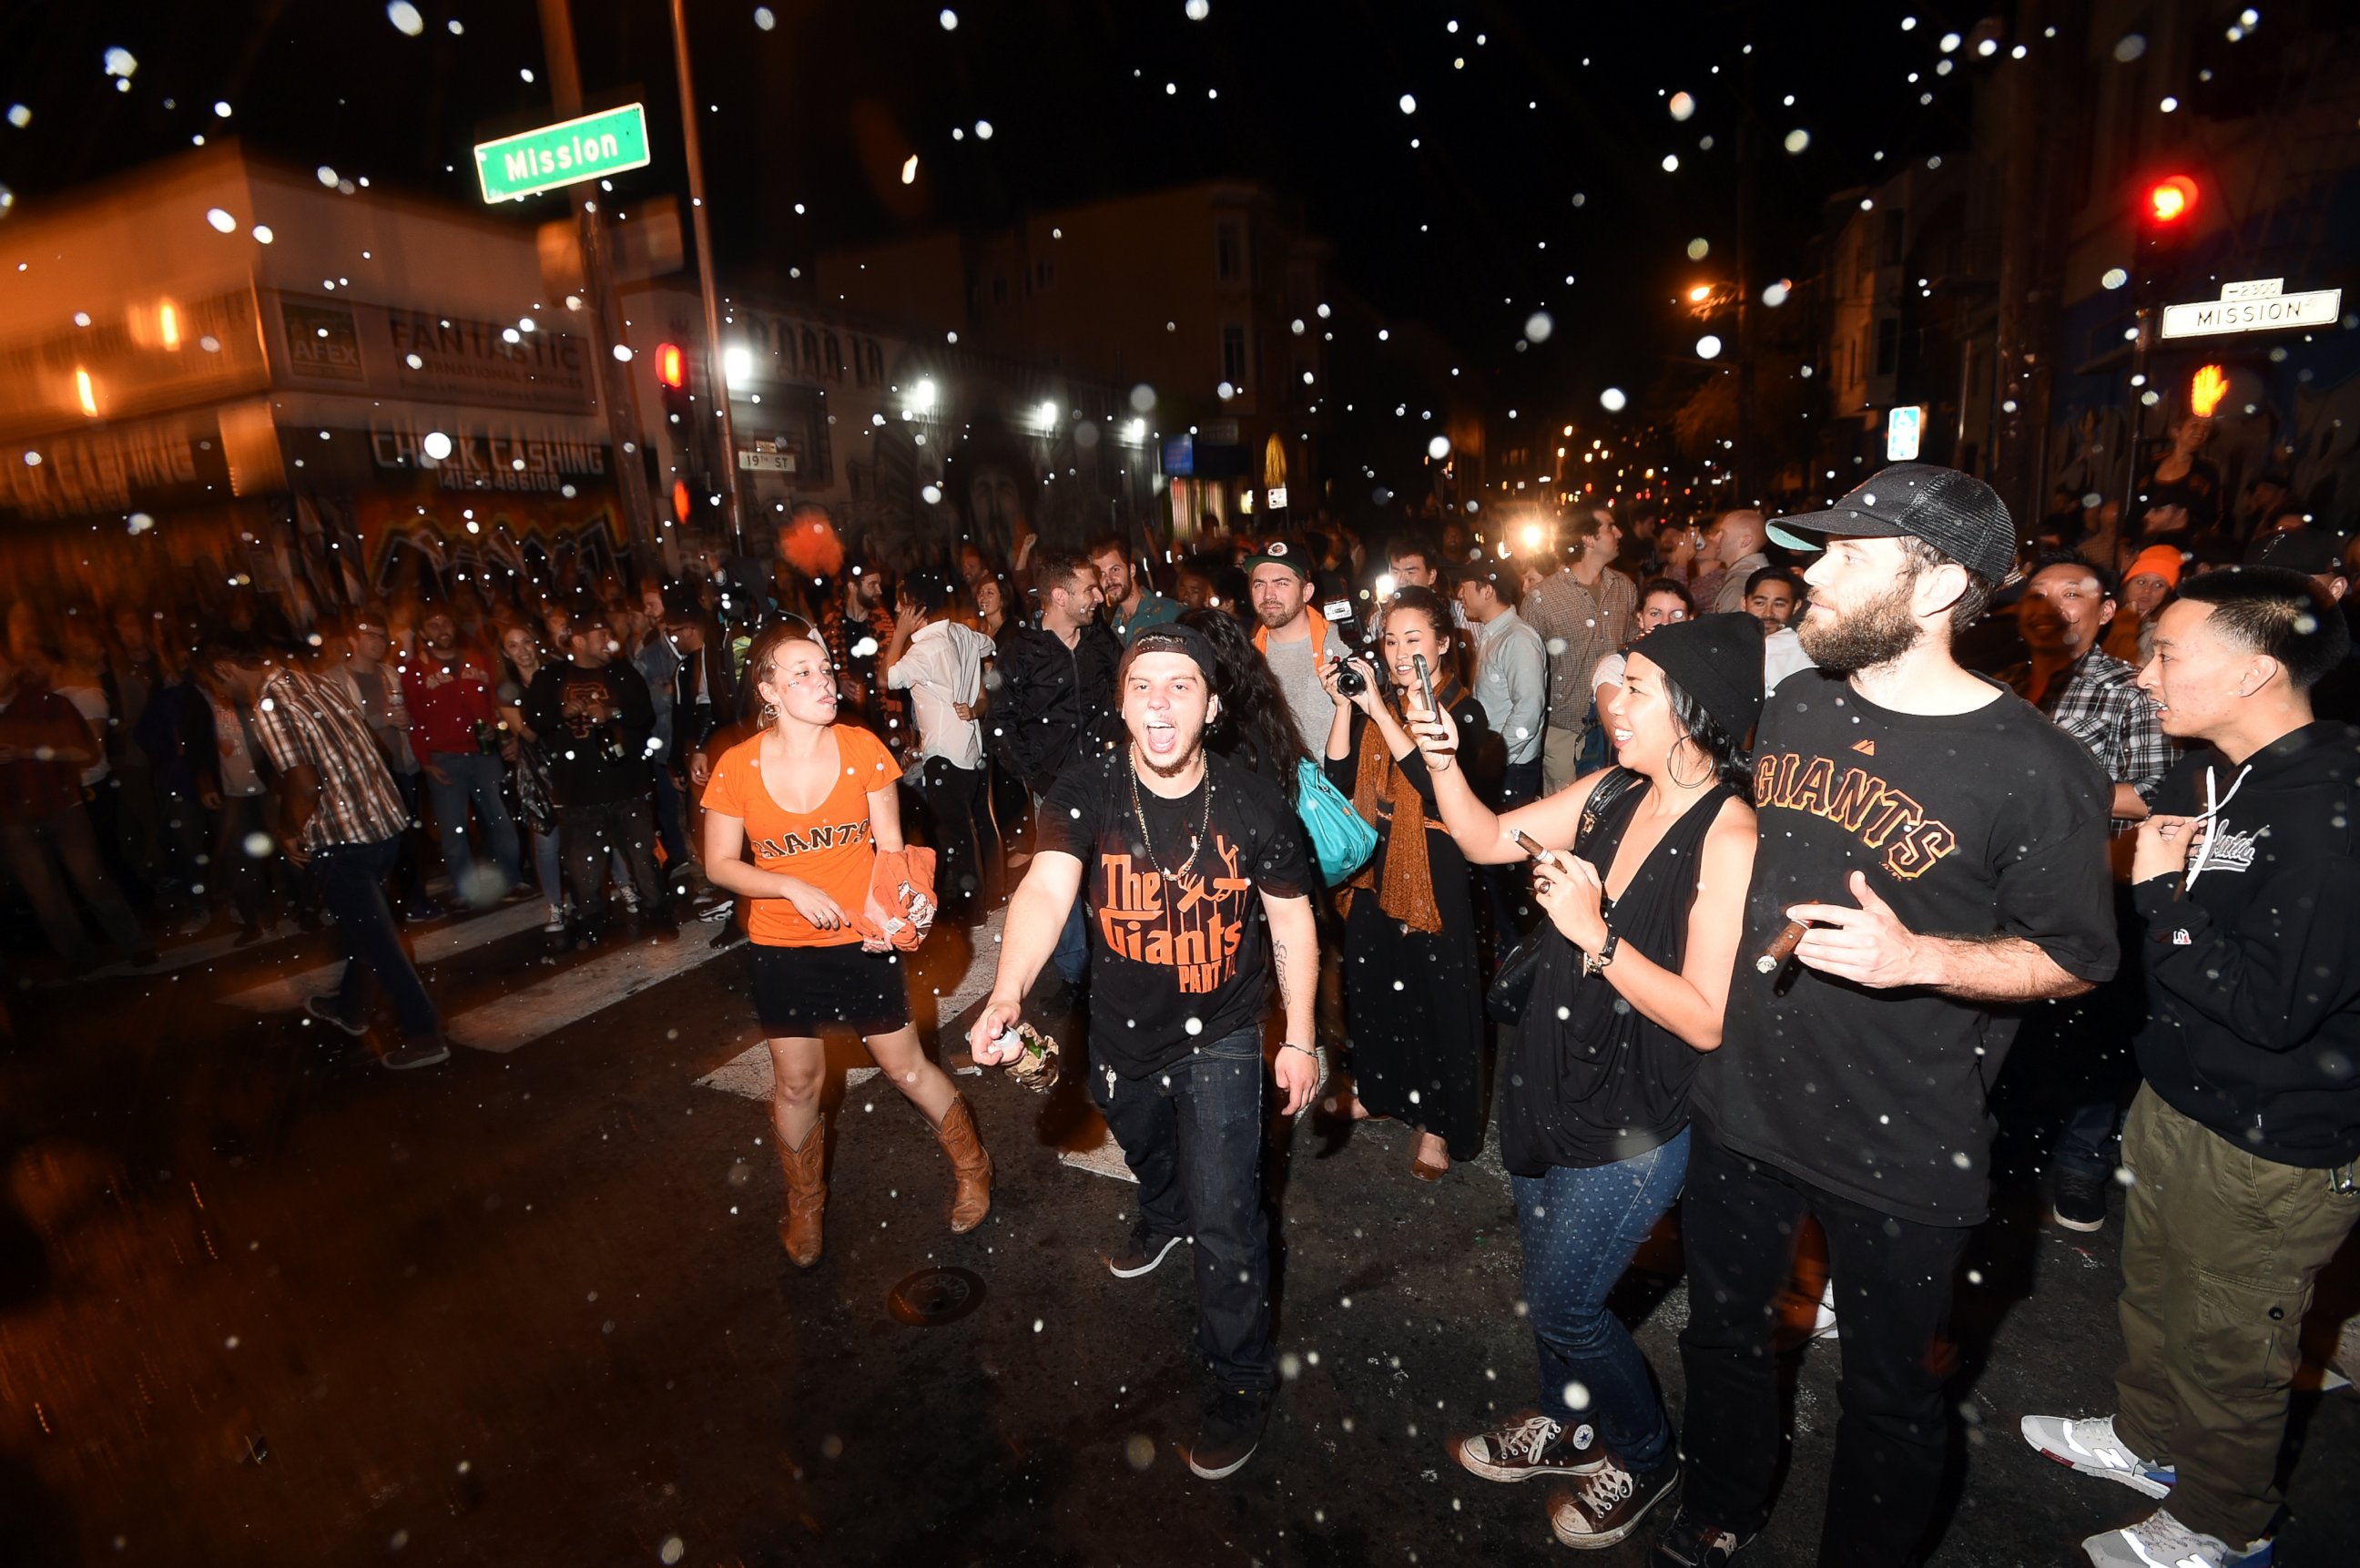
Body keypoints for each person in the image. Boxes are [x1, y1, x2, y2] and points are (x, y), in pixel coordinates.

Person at [1660, 464, 2120, 1568]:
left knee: (1888, 1396)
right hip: (1748, 1099)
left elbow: (2076, 961)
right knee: (1722, 1333)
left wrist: (1922, 957)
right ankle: (1723, 1498)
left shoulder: (2041, 768)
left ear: (1936, 586)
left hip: (1904, 1136)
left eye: (1847, 557)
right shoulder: (1803, 700)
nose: (1809, 576)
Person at [2022, 567, 2360, 1568]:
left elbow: (2273, 1008)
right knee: (2156, 1295)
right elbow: (2128, 800)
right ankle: (2148, 1444)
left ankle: (2221, 1522)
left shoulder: (2330, 811)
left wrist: (2163, 896)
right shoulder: (2224, 766)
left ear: (2258, 672)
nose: (2143, 672)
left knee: (2231, 1353)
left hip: (2272, 1143)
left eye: (2168, 653)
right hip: (2179, 1098)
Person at [1416, 615, 1763, 1549]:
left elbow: (1706, 1015)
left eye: (1637, 687)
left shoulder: (1729, 833)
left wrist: (1594, 933)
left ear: (1696, 711)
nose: (1613, 701)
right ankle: (1568, 1424)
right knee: (1547, 1290)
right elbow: (1487, 838)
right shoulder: (1613, 791)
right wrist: (1441, 758)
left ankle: (1644, 1456)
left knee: (1571, 1303)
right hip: (1551, 1071)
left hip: (1639, 1107)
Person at [970, 622, 1319, 1481]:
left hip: (1226, 1035)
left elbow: (1292, 921)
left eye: (1180, 686)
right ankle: (1161, 1212)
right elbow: (1048, 886)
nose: (1160, 705)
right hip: (1123, 1028)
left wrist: (1302, 1036)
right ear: (1121, 702)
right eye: (1142, 686)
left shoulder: (1253, 802)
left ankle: (1240, 1383)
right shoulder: (1086, 786)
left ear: (1212, 703)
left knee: (1228, 1217)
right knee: (1139, 1137)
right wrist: (1007, 992)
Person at [701, 618, 991, 1268]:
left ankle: (973, 1167)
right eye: (800, 672)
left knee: (906, 1068)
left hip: (861, 940)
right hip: (780, 944)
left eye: (824, 669)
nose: (822, 680)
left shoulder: (863, 749)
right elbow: (720, 863)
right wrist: (787, 887)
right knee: (797, 1084)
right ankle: (806, 1205)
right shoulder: (737, 767)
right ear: (769, 691)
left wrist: (895, 912)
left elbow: (891, 850)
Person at [1997, 554, 2176, 1233]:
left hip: (2096, 882)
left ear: (2108, 612)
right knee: (2018, 1027)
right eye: (2039, 592)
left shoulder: (2129, 689)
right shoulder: (2001, 686)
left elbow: (2164, 791)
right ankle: (2009, 1156)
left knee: (2096, 1039)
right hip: (2005, 886)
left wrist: (2069, 798)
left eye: (2075, 593)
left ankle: (2082, 1163)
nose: (2053, 604)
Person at [1319, 586, 1502, 1180]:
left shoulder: (1461, 711)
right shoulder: (1385, 702)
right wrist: (1347, 706)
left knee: (1436, 1003)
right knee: (1372, 988)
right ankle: (1383, 1090)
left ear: (1444, 643)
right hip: (1375, 866)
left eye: (1413, 639)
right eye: (1391, 640)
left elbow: (1432, 784)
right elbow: (1339, 773)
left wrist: (1379, 711)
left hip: (1436, 872)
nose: (1399, 652)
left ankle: (1440, 1124)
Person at [205, 635, 448, 1069]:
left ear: (225, 669)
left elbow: (302, 779)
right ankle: (351, 1010)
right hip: (384, 826)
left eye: (219, 684)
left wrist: (288, 831)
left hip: (342, 840)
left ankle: (425, 1032)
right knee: (367, 929)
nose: (224, 695)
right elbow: (377, 747)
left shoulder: (272, 705)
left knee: (379, 941)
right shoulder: (316, 683)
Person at [989, 548, 1120, 987]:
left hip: (1110, 779)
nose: (1099, 596)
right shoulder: (1021, 654)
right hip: (1058, 790)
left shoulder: (1101, 642)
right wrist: (1038, 776)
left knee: (1116, 875)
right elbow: (1001, 725)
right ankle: (1075, 978)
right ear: (1060, 597)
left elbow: (1124, 693)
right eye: (1089, 589)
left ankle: (1120, 964)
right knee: (1058, 883)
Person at [0, 645, 154, 972]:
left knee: (92, 880)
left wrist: (29, 751)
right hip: (12, 820)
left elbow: (86, 752)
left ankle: (134, 943)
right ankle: (78, 957)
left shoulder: (49, 704)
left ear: (11, 669)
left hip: (62, 806)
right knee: (44, 897)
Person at [525, 608, 672, 948]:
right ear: (578, 640)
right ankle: (592, 923)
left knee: (643, 860)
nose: (609, 640)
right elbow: (533, 723)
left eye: (609, 632)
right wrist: (560, 713)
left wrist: (612, 712)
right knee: (584, 868)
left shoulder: (622, 673)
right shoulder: (551, 678)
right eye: (599, 634)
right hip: (577, 794)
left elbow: (643, 715)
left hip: (627, 787)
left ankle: (658, 915)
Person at [882, 570, 1001, 921]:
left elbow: (886, 678)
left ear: (915, 607)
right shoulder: (961, 633)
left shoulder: (923, 650)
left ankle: (971, 906)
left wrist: (900, 634)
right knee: (978, 823)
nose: (895, 607)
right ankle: (991, 894)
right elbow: (990, 644)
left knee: (956, 834)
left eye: (900, 602)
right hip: (970, 746)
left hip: (945, 755)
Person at [402, 606, 523, 906]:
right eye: (433, 623)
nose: (442, 628)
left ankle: (511, 879)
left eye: (445, 621)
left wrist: (500, 731)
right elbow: (414, 720)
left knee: (503, 820)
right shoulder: (417, 671)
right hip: (444, 760)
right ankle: (464, 889)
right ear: (423, 633)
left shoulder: (477, 661)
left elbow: (495, 704)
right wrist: (425, 762)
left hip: (484, 756)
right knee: (454, 831)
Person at [1527, 510, 1635, 793]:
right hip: (1564, 730)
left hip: (1615, 725)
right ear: (1588, 538)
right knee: (1563, 824)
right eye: (1610, 527)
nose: (1619, 533)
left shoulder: (1624, 588)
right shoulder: (1543, 597)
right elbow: (1530, 672)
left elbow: (1633, 655)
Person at [1457, 561, 1548, 809]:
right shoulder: (1494, 633)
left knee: (1509, 842)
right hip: (1497, 761)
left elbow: (1528, 710)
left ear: (1487, 590)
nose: (1459, 594)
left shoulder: (1518, 638)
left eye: (1463, 587)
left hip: (1512, 765)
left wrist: (1494, 758)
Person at [495, 625, 567, 933]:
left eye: (526, 642)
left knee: (594, 826)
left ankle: (623, 884)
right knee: (546, 840)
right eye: (513, 646)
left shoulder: (558, 672)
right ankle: (555, 905)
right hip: (538, 769)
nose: (523, 651)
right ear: (506, 653)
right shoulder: (509, 689)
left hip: (570, 760)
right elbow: (525, 733)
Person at [1246, 538, 1348, 755]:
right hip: (1271, 786)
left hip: (1334, 785)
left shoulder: (1341, 645)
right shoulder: (1246, 658)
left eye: (1281, 583)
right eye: (1259, 584)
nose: (1268, 595)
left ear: (1307, 592)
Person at [1592, 578, 1693, 718]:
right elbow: (1618, 728)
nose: (1666, 622)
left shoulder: (1699, 667)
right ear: (1640, 619)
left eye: (1677, 614)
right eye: (1655, 613)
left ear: (1690, 619)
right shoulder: (1616, 667)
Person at [2134, 414, 2223, 543]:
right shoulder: (2152, 464)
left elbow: (2211, 515)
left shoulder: (2207, 471)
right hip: (2146, 540)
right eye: (2195, 425)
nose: (2201, 431)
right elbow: (2136, 505)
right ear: (2176, 432)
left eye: (2207, 428)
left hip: (2183, 545)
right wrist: (2125, 542)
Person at [1090, 534, 1184, 644]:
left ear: (1132, 570)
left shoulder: (1171, 613)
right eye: (1102, 574)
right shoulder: (1112, 628)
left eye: (1115, 570)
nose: (1109, 580)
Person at [2107, 545, 2183, 668]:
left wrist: (2126, 627)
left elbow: (2133, 672)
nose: (2147, 591)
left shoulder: (2162, 631)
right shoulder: (2103, 615)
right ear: (2127, 584)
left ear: (2168, 592)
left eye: (2159, 585)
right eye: (2141, 582)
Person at [1745, 566, 1816, 695]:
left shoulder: (1800, 648)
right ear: (1743, 603)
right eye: (1759, 603)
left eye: (1779, 605)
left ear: (1796, 607)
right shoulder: (1727, 644)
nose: (1768, 613)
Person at [1696, 509, 1772, 616]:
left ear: (1745, 542)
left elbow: (1731, 631)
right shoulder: (1752, 575)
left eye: (1723, 534)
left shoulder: (1740, 584)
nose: (1715, 538)